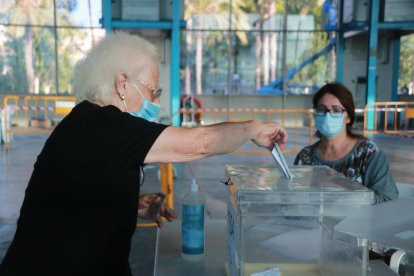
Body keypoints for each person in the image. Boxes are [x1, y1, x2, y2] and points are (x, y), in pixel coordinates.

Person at [0, 32, 287, 275]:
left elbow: (79, 197)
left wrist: (127, 205)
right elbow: (198, 143)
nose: (155, 101)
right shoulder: (105, 125)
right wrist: (253, 128)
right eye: (152, 90)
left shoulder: (87, 124)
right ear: (122, 83)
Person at [294, 82, 398, 204]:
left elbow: (389, 201)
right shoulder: (305, 156)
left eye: (336, 110)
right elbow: (294, 197)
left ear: (348, 117)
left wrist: (341, 190)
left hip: (361, 222)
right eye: (321, 109)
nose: (328, 115)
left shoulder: (368, 154)